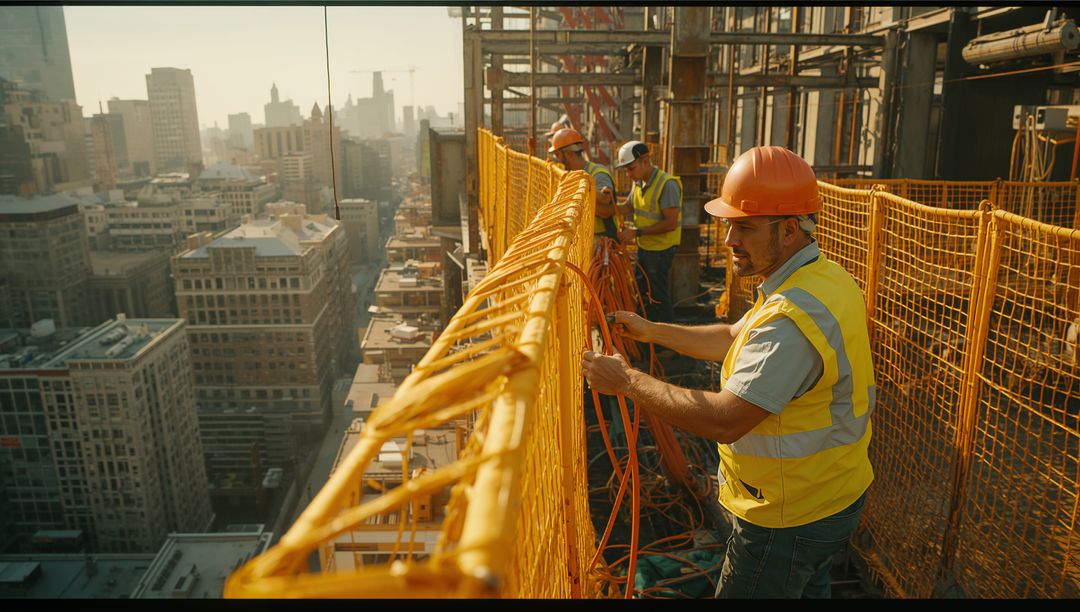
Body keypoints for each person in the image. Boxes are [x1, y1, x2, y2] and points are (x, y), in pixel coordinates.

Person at [582, 145, 874, 599]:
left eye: (746, 228)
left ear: (790, 229)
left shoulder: (790, 320)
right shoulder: (822, 277)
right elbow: (733, 337)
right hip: (834, 497)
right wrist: (652, 331)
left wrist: (626, 381)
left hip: (786, 516)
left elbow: (724, 419)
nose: (729, 241)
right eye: (729, 225)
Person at [612, 140, 682, 323]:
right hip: (646, 248)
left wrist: (635, 233)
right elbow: (628, 206)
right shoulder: (639, 183)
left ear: (645, 160)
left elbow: (671, 223)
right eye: (626, 170)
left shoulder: (666, 184)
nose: (628, 174)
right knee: (643, 294)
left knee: (658, 296)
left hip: (661, 251)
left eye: (631, 168)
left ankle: (668, 344)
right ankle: (648, 337)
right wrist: (607, 204)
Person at [548, 127, 618, 239]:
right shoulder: (570, 176)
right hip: (583, 242)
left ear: (569, 154)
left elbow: (607, 206)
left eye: (557, 155)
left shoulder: (598, 174)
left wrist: (583, 188)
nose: (557, 160)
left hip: (603, 242)